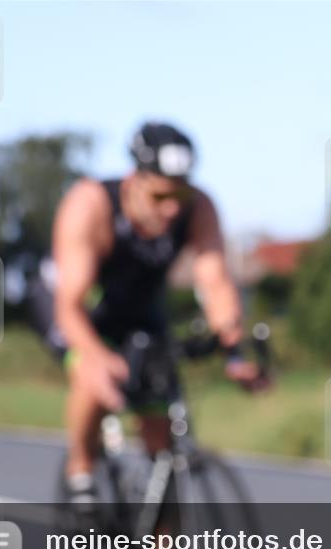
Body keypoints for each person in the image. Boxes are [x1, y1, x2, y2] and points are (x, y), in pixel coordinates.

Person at [37, 121, 261, 501]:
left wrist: (234, 352)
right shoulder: (90, 204)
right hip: (77, 304)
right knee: (96, 377)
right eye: (159, 197)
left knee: (161, 429)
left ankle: (159, 533)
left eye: (180, 195)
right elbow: (70, 304)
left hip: (139, 305)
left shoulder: (198, 206)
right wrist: (96, 356)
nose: (172, 208)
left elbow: (215, 282)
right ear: (133, 181)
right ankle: (81, 469)